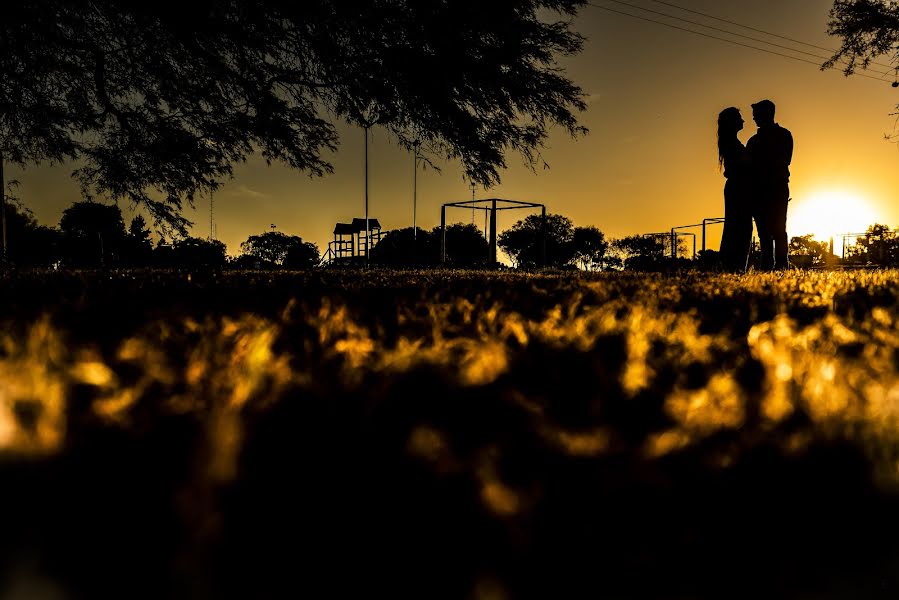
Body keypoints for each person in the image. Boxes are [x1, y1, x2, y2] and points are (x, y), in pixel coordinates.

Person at [747, 99, 793, 270]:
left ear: (766, 115)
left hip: (775, 188)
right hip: (761, 189)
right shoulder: (754, 141)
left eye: (756, 115)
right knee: (765, 232)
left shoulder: (782, 135)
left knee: (778, 229)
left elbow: (784, 161)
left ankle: (781, 264)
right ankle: (768, 265)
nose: (754, 119)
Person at [717, 107, 752, 272]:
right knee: (739, 228)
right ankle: (734, 267)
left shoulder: (731, 142)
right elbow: (740, 167)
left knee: (737, 227)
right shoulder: (732, 143)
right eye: (739, 118)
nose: (743, 121)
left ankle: (733, 267)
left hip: (738, 187)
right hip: (738, 187)